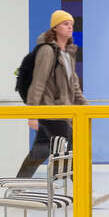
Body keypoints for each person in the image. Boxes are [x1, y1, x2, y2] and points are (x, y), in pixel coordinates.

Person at [17, 9, 87, 178]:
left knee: (40, 149)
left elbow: (75, 86)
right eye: (65, 24)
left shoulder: (68, 54)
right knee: (76, 144)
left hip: (64, 112)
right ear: (55, 27)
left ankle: (18, 185)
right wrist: (32, 113)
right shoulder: (47, 51)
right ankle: (80, 185)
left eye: (71, 24)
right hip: (51, 111)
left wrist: (86, 107)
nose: (70, 27)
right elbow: (38, 82)